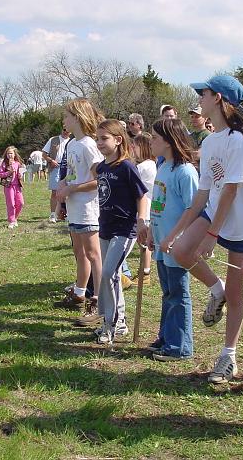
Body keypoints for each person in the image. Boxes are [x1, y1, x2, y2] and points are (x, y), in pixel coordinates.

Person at [170, 75, 243, 383]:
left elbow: (232, 190)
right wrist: (176, 232)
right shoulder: (210, 141)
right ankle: (216, 288)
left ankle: (228, 356)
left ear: (219, 99)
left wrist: (212, 235)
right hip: (213, 211)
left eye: (204, 93)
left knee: (237, 295)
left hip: (240, 223)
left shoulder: (240, 140)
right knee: (182, 251)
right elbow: (204, 192)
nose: (199, 98)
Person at [139, 119, 198, 361]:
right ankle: (166, 337)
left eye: (154, 138)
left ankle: (180, 346)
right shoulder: (162, 167)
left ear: (168, 141)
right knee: (168, 293)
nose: (150, 142)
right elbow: (157, 206)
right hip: (162, 243)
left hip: (177, 244)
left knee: (178, 294)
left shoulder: (185, 172)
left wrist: (173, 237)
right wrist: (153, 233)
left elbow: (193, 209)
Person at [90, 119, 148, 344]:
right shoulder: (103, 167)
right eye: (97, 138)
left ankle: (110, 324)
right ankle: (119, 320)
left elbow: (141, 195)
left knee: (108, 274)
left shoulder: (127, 166)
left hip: (124, 230)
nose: (99, 143)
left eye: (104, 138)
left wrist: (141, 220)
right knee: (109, 277)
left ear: (118, 140)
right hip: (105, 227)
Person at [56, 98, 104, 315]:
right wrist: (63, 190)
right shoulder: (71, 144)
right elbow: (71, 174)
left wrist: (72, 189)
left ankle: (99, 300)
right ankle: (79, 293)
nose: (64, 120)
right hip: (74, 208)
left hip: (88, 209)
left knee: (94, 254)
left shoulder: (89, 145)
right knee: (79, 252)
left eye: (67, 116)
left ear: (77, 118)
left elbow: (99, 180)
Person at [131, 133, 157, 286]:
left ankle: (145, 273)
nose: (133, 148)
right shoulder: (148, 164)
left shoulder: (145, 166)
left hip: (145, 209)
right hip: (144, 209)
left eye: (136, 146)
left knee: (144, 242)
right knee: (142, 242)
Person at [42, 128, 71, 222]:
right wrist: (51, 161)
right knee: (54, 191)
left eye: (68, 130)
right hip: (55, 167)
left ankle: (65, 214)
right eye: (64, 129)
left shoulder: (73, 141)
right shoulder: (53, 140)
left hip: (68, 168)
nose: (66, 131)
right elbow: (44, 154)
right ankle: (53, 214)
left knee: (67, 191)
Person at [0, 146, 25, 229]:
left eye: (11, 153)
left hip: (17, 186)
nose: (9, 155)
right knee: (11, 204)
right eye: (8, 153)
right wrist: (8, 173)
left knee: (20, 203)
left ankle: (15, 218)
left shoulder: (18, 163)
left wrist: (20, 175)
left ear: (14, 154)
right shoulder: (3, 164)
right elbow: (0, 174)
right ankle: (11, 221)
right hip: (8, 186)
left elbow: (21, 173)